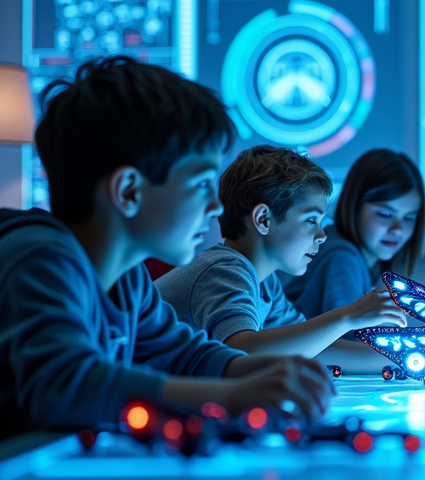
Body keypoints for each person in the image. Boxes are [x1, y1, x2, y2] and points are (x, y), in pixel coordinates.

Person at [0, 57, 334, 449]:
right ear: (128, 191)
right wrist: (233, 396)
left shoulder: (127, 279)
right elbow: (68, 387)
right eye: (200, 184)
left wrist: (250, 369)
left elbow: (182, 353)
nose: (215, 205)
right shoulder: (36, 260)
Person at [156, 145, 405, 372]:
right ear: (264, 219)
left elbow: (309, 350)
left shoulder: (266, 283)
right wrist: (348, 316)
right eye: (311, 220)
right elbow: (242, 353)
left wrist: (404, 356)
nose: (321, 236)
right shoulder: (224, 270)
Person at [284, 149, 425, 331]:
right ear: (355, 206)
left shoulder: (359, 261)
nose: (397, 229)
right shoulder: (342, 258)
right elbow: (353, 341)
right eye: (385, 214)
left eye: (409, 218)